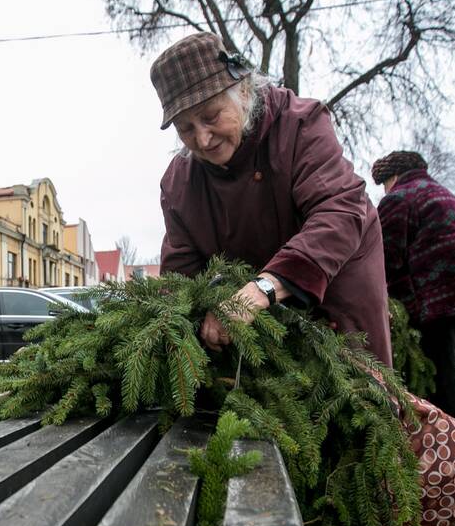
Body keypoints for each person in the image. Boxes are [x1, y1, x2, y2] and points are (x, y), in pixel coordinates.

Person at [151, 33, 392, 366]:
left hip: (335, 274)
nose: (203, 139)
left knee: (357, 391)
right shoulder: (179, 183)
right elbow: (180, 272)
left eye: (211, 116)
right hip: (247, 310)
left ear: (244, 92)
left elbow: (337, 210)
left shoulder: (300, 125)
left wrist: (261, 290)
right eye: (186, 128)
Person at [371, 150, 455, 426]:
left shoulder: (399, 198)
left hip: (441, 297)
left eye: (384, 183)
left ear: (392, 176)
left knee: (441, 375)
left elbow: (385, 258)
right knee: (443, 367)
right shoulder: (441, 193)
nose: (384, 190)